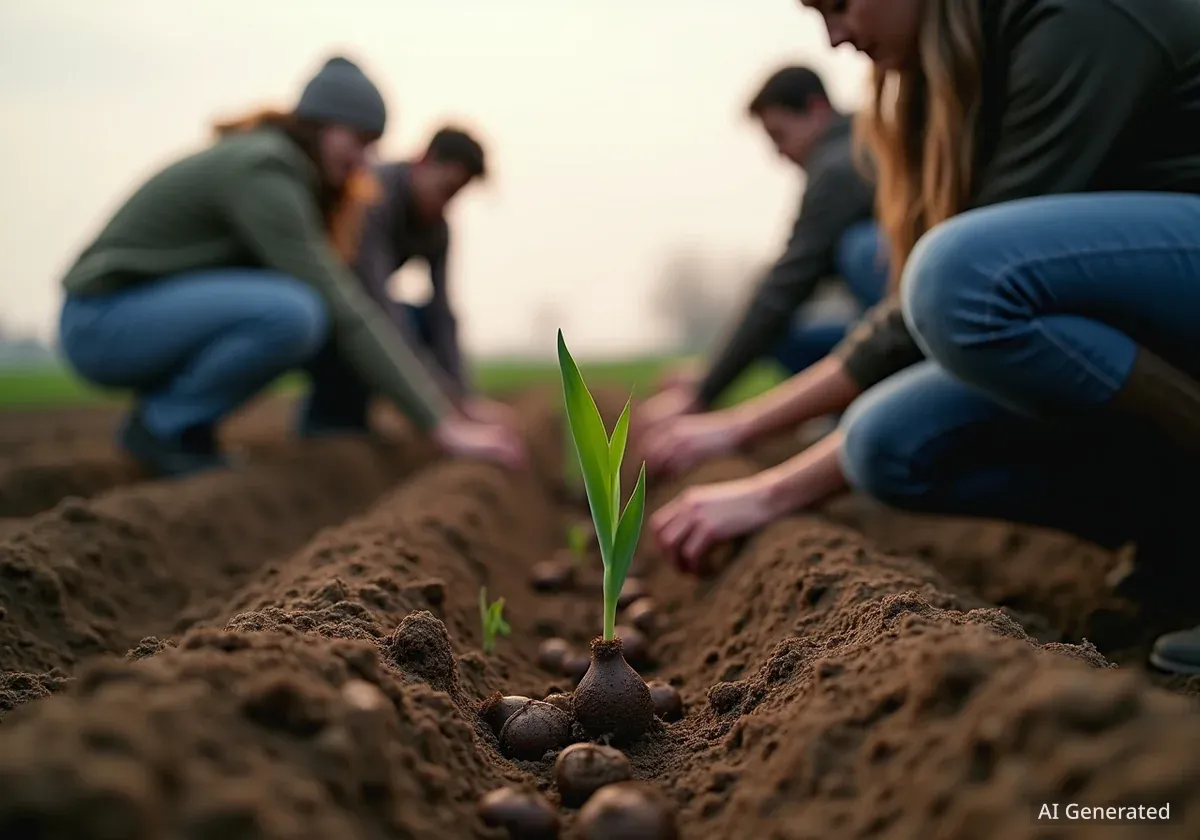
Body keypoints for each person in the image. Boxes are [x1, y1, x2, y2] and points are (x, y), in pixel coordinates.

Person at [648, 0, 1200, 674]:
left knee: (954, 275)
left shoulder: (1077, 15)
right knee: (884, 443)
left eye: (840, 4)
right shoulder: (956, 72)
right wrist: (753, 451)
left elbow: (947, 291)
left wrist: (759, 467)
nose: (836, 36)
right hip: (1156, 292)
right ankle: (1173, 532)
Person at [57, 55, 526, 478]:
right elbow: (347, 305)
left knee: (302, 307)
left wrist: (457, 400)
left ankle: (184, 428)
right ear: (322, 125)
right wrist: (442, 423)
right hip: (101, 321)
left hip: (140, 317)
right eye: (358, 141)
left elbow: (424, 313)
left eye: (373, 146)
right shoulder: (266, 172)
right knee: (294, 312)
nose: (366, 161)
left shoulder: (297, 178)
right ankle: (161, 427)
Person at [638, 64, 883, 446]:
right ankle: (847, 406)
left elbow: (783, 288)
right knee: (788, 336)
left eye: (779, 135)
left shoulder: (839, 169)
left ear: (816, 110)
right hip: (879, 319)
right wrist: (709, 372)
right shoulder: (853, 149)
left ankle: (871, 407)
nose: (779, 153)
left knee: (860, 248)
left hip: (907, 325)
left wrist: (703, 392)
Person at [302, 125, 517, 435]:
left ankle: (352, 422)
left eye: (456, 195)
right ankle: (324, 424)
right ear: (424, 161)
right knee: (369, 325)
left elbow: (443, 314)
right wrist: (439, 396)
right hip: (328, 303)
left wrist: (464, 397)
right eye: (446, 189)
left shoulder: (437, 230)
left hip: (362, 307)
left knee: (420, 319)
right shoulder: (372, 195)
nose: (447, 204)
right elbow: (375, 302)